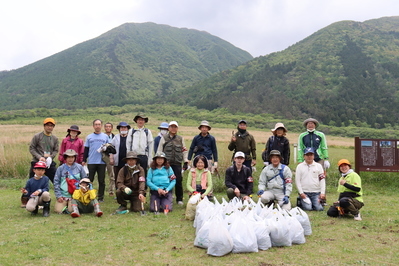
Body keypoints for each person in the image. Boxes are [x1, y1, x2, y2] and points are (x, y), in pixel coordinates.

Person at [157, 121, 188, 205]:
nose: (173, 128)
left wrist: (185, 161)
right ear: (169, 128)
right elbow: (159, 150)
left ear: (177, 128)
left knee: (178, 180)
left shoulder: (181, 139)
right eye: (171, 127)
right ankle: (167, 196)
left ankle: (179, 198)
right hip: (166, 163)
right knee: (166, 180)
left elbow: (184, 151)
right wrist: (158, 161)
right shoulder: (164, 138)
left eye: (175, 127)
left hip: (177, 163)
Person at [82, 119, 109, 202]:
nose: (97, 126)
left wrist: (106, 150)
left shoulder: (105, 136)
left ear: (101, 126)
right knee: (89, 180)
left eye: (99, 124)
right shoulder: (89, 137)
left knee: (101, 180)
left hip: (102, 162)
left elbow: (109, 148)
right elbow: (86, 149)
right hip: (91, 161)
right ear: (93, 126)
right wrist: (84, 159)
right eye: (96, 124)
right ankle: (88, 195)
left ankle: (100, 197)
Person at [54, 149, 87, 214]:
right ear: (65, 158)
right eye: (68, 157)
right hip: (63, 195)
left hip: (75, 195)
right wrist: (59, 196)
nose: (70, 159)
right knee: (58, 210)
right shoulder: (60, 168)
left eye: (72, 157)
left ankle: (71, 207)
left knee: (71, 210)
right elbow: (56, 182)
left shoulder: (79, 167)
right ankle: (65, 206)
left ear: (75, 158)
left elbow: (85, 180)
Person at [29, 117, 59, 183]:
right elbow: (32, 148)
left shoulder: (55, 138)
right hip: (37, 162)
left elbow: (56, 150)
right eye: (48, 125)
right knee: (32, 182)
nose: (49, 127)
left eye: (51, 126)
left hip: (48, 163)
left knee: (57, 180)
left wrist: (50, 158)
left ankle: (60, 193)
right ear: (44, 126)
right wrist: (39, 157)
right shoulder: (37, 136)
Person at [110, 122, 130, 190]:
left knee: (127, 177)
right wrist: (111, 158)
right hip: (118, 161)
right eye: (121, 127)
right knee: (117, 176)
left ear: (127, 129)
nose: (123, 129)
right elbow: (111, 149)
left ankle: (127, 191)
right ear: (119, 129)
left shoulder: (130, 137)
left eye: (125, 127)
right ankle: (118, 190)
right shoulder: (116, 137)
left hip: (128, 161)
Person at [104, 122, 115, 197]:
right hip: (103, 156)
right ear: (104, 128)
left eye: (109, 126)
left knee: (112, 174)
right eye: (106, 126)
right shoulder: (101, 136)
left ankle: (111, 190)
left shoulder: (114, 137)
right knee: (101, 174)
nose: (108, 128)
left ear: (112, 128)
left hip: (111, 156)